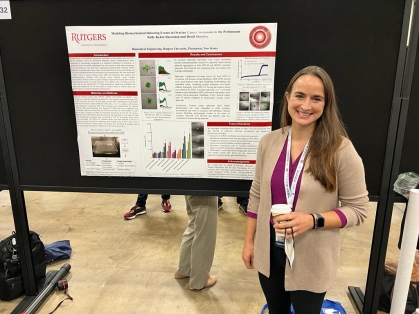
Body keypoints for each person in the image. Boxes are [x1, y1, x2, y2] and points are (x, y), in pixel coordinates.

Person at [242, 66, 369, 313]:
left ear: (326, 104)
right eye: (300, 95)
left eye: (316, 98)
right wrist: (249, 242)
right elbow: (257, 194)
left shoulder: (340, 150)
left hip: (312, 255)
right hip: (269, 251)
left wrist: (313, 220)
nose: (306, 105)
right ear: (288, 97)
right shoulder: (269, 142)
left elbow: (359, 210)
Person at [175, 195, 218, 290]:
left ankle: (184, 270)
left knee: (193, 224)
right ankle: (199, 280)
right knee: (205, 231)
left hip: (191, 183)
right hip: (205, 186)